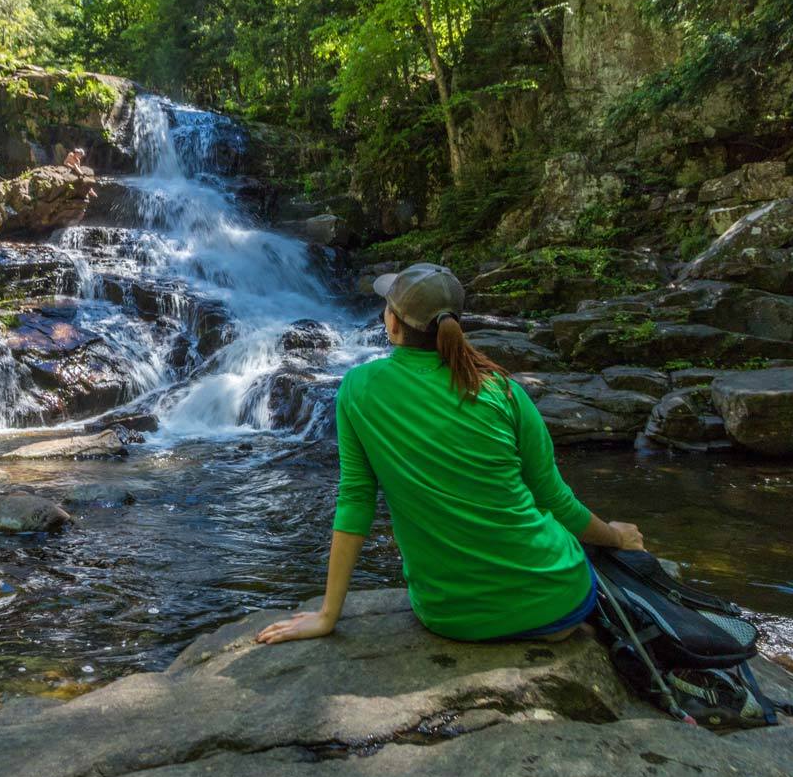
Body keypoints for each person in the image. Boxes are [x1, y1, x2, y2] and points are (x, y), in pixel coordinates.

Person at [257, 263, 644, 646]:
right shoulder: (503, 391)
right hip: (556, 606)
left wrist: (328, 615)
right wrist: (613, 536)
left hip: (450, 615)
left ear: (392, 325)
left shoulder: (359, 389)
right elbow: (554, 499)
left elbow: (356, 499)